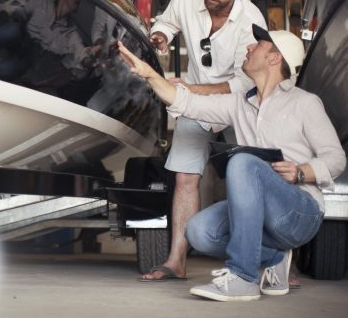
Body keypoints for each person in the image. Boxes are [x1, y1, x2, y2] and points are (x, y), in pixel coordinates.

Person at [118, 27, 345, 301]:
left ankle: (243, 277)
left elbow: (336, 159)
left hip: (299, 212)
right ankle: (274, 258)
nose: (249, 48)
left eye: (259, 45)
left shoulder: (305, 103)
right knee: (198, 231)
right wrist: (150, 74)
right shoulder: (238, 103)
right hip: (260, 217)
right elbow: (187, 103)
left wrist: (301, 172)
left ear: (274, 59)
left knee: (242, 162)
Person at [140, 0, 266, 281]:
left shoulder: (251, 19)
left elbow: (246, 81)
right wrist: (161, 37)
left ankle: (269, 263)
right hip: (196, 103)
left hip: (240, 106)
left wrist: (192, 90)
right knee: (184, 178)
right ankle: (176, 261)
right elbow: (167, 23)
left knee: (251, 181)